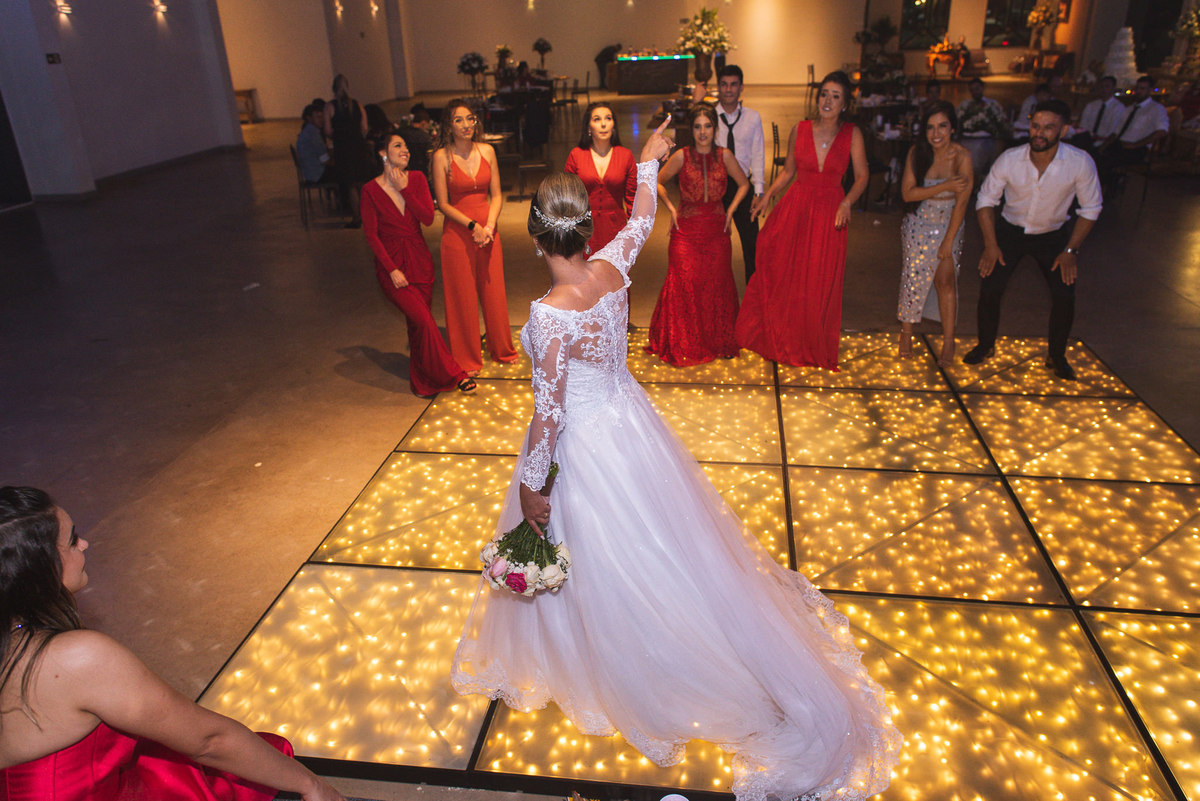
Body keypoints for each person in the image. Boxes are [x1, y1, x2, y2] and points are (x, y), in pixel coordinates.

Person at [450, 117, 901, 801]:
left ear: (538, 236)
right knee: (660, 543)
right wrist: (646, 165)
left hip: (585, 442)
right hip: (631, 424)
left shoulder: (547, 314)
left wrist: (536, 491)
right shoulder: (612, 268)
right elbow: (637, 219)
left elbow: (548, 413)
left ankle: (623, 658)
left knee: (602, 557)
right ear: (577, 230)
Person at [0, 486, 345, 801]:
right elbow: (210, 742)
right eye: (73, 539)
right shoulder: (75, 659)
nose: (85, 544)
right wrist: (312, 785)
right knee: (240, 768)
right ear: (39, 566)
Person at [735, 71, 869, 370]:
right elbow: (788, 172)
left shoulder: (852, 135)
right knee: (785, 273)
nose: (828, 101)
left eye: (836, 96)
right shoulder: (801, 128)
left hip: (830, 213)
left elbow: (862, 177)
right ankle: (785, 338)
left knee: (819, 279)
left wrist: (847, 202)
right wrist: (767, 195)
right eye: (824, 94)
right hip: (797, 208)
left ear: (845, 104)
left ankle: (811, 342)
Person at [965, 100, 1102, 380]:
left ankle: (1057, 356)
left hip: (1054, 237)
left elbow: (1091, 209)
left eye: (1048, 128)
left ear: (1063, 130)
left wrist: (1070, 250)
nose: (1039, 133)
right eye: (1035, 126)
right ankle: (985, 345)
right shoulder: (1010, 159)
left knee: (1064, 295)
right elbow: (985, 200)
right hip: (1009, 232)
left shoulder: (1079, 162)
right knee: (990, 288)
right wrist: (991, 245)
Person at [361, 132, 476, 397]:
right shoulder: (369, 190)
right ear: (382, 153)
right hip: (392, 267)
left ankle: (422, 382)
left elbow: (426, 218)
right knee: (424, 322)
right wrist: (391, 269)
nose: (406, 150)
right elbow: (371, 235)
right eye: (397, 146)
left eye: (406, 146)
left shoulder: (416, 179)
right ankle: (455, 374)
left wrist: (405, 191)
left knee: (416, 326)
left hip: (420, 261)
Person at [646, 104, 749, 366]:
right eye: (697, 126)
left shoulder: (724, 155)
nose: (703, 132)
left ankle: (716, 340)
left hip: (716, 229)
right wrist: (671, 208)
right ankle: (684, 342)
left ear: (715, 128)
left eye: (708, 126)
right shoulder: (682, 155)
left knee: (717, 284)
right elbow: (657, 180)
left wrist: (730, 211)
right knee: (684, 283)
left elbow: (744, 183)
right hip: (686, 229)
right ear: (691, 129)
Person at [431, 99, 518, 375]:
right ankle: (467, 358)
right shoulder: (440, 157)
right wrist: (473, 227)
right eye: (459, 120)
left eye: (470, 119)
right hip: (458, 234)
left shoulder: (488, 151)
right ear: (449, 125)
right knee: (462, 297)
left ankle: (501, 349)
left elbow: (497, 194)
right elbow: (442, 204)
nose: (466, 125)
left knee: (494, 293)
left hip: (489, 231)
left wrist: (489, 226)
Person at [897, 100, 973, 365]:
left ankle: (948, 342)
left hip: (950, 222)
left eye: (942, 126)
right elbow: (908, 193)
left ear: (952, 128)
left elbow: (962, 203)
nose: (936, 133)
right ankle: (906, 334)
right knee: (913, 278)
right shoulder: (917, 153)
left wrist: (948, 241)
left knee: (946, 282)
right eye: (930, 127)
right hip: (919, 222)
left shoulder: (962, 156)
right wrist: (945, 185)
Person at [713, 64, 766, 282]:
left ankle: (753, 297)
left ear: (741, 87)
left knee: (752, 244)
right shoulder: (709, 117)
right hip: (716, 187)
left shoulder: (753, 118)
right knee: (715, 244)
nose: (728, 90)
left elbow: (758, 153)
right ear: (718, 87)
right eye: (724, 85)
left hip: (744, 185)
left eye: (733, 84)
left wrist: (759, 191)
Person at [564, 102, 637, 254]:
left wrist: (633, 234)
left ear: (614, 125)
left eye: (608, 118)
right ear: (588, 127)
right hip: (583, 231)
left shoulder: (625, 156)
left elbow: (632, 200)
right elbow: (567, 197)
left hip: (616, 231)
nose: (603, 124)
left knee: (615, 276)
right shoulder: (576, 155)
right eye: (597, 119)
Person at [1096, 75, 1170, 186]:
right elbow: (1116, 131)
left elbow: (1162, 131)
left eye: (1143, 89)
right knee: (1094, 157)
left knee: (1108, 162)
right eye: (1138, 88)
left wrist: (1136, 145)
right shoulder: (1129, 109)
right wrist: (1104, 145)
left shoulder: (1156, 109)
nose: (1139, 91)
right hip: (1120, 144)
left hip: (1137, 148)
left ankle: (1109, 189)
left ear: (1150, 90)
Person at [325, 74, 372, 227]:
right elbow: (364, 127)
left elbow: (328, 130)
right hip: (358, 146)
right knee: (362, 182)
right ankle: (368, 215)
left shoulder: (330, 107)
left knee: (351, 184)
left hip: (343, 148)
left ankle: (357, 217)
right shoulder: (357, 105)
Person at [957, 78, 1011, 179]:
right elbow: (957, 123)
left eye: (977, 89)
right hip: (967, 139)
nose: (975, 92)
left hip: (987, 140)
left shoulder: (992, 104)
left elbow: (1002, 123)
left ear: (982, 88)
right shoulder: (964, 105)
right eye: (972, 90)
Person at [1071, 75, 1124, 154]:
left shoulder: (1118, 108)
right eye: (1101, 86)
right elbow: (1084, 124)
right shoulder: (1091, 105)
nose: (1103, 89)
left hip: (1104, 141)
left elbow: (1114, 130)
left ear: (1113, 88)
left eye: (1107, 86)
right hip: (1087, 139)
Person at [296, 103, 331, 184]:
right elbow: (325, 160)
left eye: (322, 117)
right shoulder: (313, 133)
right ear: (309, 118)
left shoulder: (307, 131)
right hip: (317, 174)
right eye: (318, 117)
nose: (321, 120)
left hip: (311, 173)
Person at [396, 107, 435, 177]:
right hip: (420, 171)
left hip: (401, 169)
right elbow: (430, 156)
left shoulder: (399, 133)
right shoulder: (425, 137)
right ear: (423, 123)